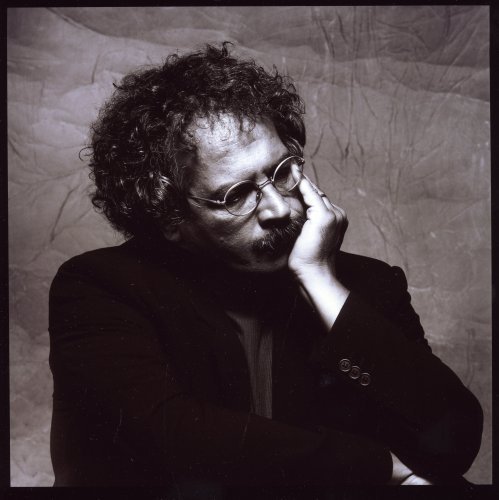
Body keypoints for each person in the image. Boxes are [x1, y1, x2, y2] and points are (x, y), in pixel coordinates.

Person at [48, 42, 483, 490]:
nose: (278, 208)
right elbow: (175, 438)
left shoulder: (368, 285)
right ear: (170, 218)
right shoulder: (101, 288)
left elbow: (455, 440)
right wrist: (382, 468)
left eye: (282, 171)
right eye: (237, 195)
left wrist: (320, 281)